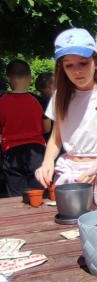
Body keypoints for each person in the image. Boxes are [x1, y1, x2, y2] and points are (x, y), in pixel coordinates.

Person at [35, 28, 97, 187]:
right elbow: (56, 137)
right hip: (68, 171)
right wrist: (47, 163)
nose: (77, 71)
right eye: (69, 65)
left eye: (83, 62)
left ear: (96, 61)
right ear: (62, 68)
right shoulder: (60, 96)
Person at [0, 59, 49, 195]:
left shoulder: (1, 101)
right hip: (36, 151)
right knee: (39, 194)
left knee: (16, 196)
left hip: (11, 153)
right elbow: (47, 128)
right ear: (30, 77)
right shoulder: (39, 101)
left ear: (8, 78)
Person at [35, 71, 55, 142]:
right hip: (50, 141)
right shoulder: (47, 103)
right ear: (49, 87)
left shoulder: (37, 101)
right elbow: (47, 129)